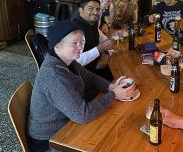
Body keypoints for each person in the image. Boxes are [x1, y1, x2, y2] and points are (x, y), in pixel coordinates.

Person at [26, 21, 136, 152]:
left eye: (82, 42)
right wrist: (114, 95)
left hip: (67, 123)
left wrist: (110, 87)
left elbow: (89, 78)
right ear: (57, 46)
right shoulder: (54, 75)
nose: (80, 47)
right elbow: (82, 115)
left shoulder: (66, 60)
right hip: (50, 141)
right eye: (74, 43)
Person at [72, 0, 114, 80]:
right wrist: (100, 48)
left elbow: (107, 42)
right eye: (90, 8)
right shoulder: (74, 30)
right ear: (80, 11)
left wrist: (105, 54)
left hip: (97, 69)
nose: (95, 12)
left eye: (98, 9)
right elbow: (75, 60)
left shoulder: (93, 25)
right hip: (81, 78)